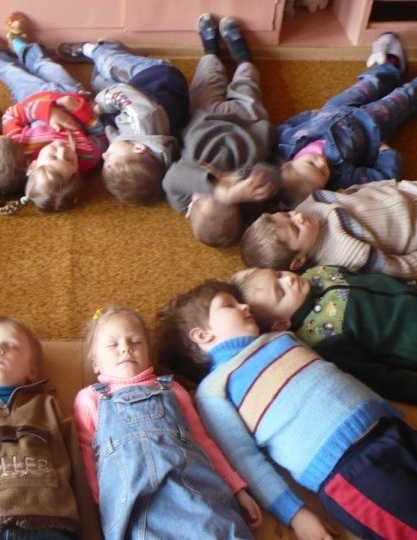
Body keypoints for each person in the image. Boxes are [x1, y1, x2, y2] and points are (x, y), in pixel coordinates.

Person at [156, 280, 417, 540]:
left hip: (391, 429)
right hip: (350, 472)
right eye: (229, 305)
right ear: (202, 335)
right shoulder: (214, 390)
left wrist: (389, 411)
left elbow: (337, 376)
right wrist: (295, 514)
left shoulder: (283, 338)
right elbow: (246, 461)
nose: (245, 306)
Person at [74, 306, 260, 539]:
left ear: (149, 354)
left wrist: (237, 488)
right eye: (113, 345)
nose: (126, 348)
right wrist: (99, 505)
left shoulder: (172, 389)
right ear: (95, 364)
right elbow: (85, 456)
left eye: (135, 341)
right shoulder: (90, 399)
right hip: (135, 508)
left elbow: (203, 442)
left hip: (198, 495)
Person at [0, 315, 102, 539]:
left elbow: (78, 473)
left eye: (11, 345)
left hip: (50, 524)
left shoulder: (49, 407)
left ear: (32, 370)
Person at [0, 12, 108, 212]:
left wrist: (45, 112)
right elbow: (100, 134)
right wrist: (81, 112)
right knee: (44, 63)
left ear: (31, 167)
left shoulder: (21, 150)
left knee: (10, 72)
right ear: (77, 169)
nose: (62, 150)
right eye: (69, 160)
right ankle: (19, 43)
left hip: (32, 95)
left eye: (53, 157)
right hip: (71, 93)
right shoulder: (87, 157)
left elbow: (11, 116)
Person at [161, 14, 279, 247]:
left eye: (204, 195)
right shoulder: (247, 194)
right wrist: (236, 179)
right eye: (226, 200)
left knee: (207, 79)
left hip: (203, 118)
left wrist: (216, 188)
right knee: (247, 82)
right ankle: (243, 56)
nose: (213, 189)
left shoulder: (181, 199)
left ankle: (211, 50)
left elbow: (173, 177)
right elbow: (273, 176)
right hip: (247, 121)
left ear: (189, 209)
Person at [231, 264, 417, 404]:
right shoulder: (321, 338)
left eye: (278, 274)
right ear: (281, 324)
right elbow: (377, 378)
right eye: (280, 292)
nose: (288, 279)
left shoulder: (316, 272)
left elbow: (365, 275)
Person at [276, 32, 415, 206]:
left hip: (334, 109)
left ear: (288, 163)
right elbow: (383, 177)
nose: (321, 163)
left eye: (311, 163)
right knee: (402, 99)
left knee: (368, 84)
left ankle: (390, 65)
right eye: (323, 173)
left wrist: (310, 114)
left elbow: (286, 125)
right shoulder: (342, 178)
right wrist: (384, 152)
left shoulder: (286, 144)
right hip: (370, 125)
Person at [55, 40, 189, 205]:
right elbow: (120, 93)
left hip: (134, 99)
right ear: (139, 148)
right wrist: (99, 107)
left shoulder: (144, 157)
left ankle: (115, 49)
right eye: (109, 156)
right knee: (108, 65)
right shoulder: (143, 118)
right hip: (156, 76)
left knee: (97, 83)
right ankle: (91, 49)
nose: (104, 155)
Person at [240, 179, 417, 278]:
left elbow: (351, 192)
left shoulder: (310, 204)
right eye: (296, 229)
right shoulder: (344, 257)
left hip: (405, 191)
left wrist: (391, 185)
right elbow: (396, 268)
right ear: (299, 260)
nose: (298, 217)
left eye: (288, 215)